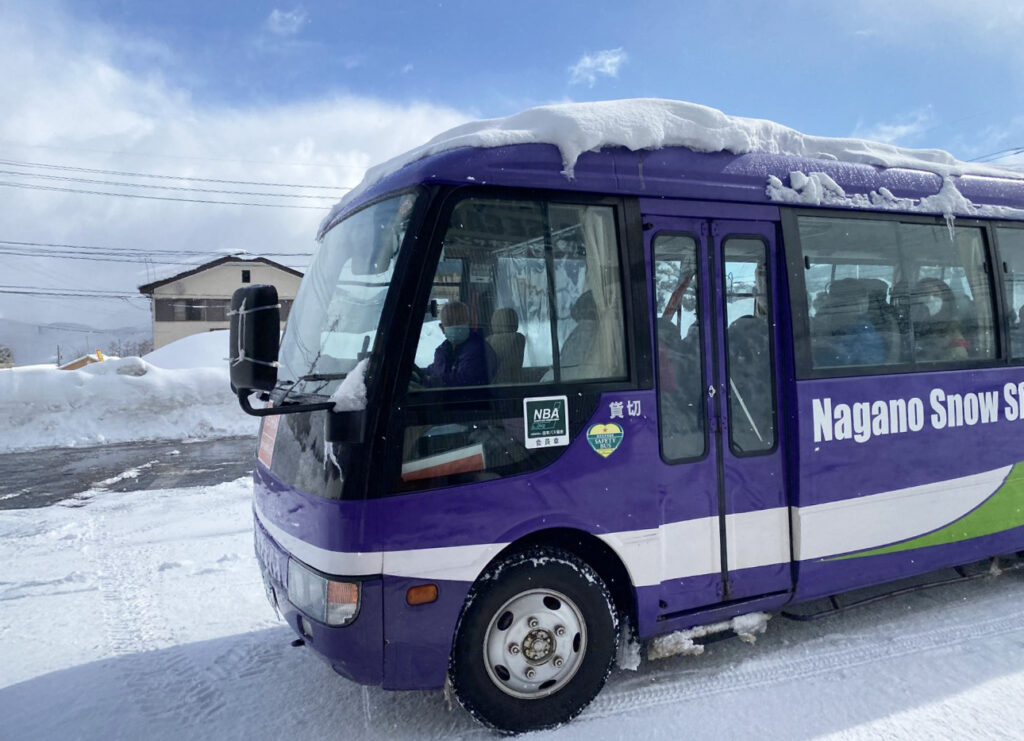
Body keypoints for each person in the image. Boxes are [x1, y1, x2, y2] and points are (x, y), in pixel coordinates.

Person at [414, 301, 494, 387]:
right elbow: (436, 369)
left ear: (468, 323)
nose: (455, 325)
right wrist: (418, 373)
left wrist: (429, 381)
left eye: (460, 321)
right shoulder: (446, 348)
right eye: (450, 322)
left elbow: (462, 380)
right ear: (442, 327)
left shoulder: (478, 348)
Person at [912, 277, 968, 362]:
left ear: (946, 299)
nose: (931, 299)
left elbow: (961, 356)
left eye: (936, 294)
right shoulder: (910, 327)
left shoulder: (953, 329)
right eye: (925, 295)